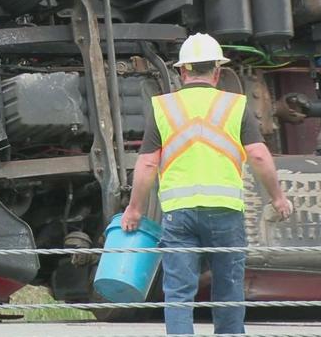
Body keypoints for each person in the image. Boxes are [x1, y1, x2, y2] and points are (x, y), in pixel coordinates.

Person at [121, 33, 293, 335]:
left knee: (178, 293)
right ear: (217, 71)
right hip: (225, 212)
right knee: (228, 290)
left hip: (179, 213)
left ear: (182, 71)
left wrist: (134, 210)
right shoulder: (235, 106)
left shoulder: (163, 108)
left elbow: (148, 163)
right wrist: (277, 198)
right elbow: (259, 155)